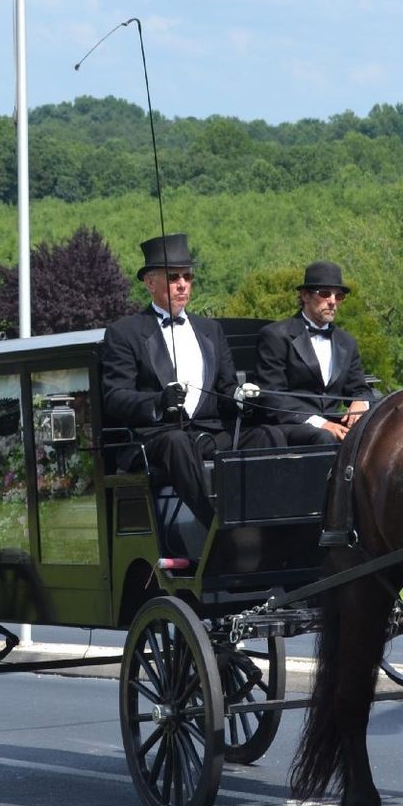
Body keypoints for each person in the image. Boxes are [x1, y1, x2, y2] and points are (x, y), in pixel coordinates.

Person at [99, 233, 280, 564]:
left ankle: (270, 524)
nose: (182, 284)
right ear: (150, 283)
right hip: (156, 440)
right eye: (173, 277)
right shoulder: (125, 333)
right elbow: (115, 396)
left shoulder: (209, 330)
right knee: (177, 442)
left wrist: (240, 396)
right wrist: (157, 401)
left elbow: (225, 388)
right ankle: (216, 527)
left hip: (209, 433)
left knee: (270, 435)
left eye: (187, 276)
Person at [254, 261, 373, 446]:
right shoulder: (276, 336)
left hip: (333, 423)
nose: (332, 301)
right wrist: (321, 423)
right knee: (324, 437)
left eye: (339, 296)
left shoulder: (347, 342)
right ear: (305, 295)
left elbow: (360, 387)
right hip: (289, 425)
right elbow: (272, 397)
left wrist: (361, 402)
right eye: (325, 293)